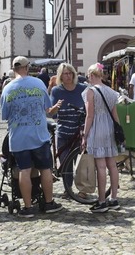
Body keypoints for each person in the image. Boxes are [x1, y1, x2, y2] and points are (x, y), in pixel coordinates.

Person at [1, 56, 63, 218]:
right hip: (39, 135)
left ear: (14, 69)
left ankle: (28, 207)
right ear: (27, 67)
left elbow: (5, 115)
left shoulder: (7, 88)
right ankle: (49, 203)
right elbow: (48, 107)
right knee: (45, 169)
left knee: (24, 170)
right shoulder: (38, 83)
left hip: (18, 137)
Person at [81, 62, 121, 213]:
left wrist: (85, 135)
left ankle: (102, 201)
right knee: (112, 165)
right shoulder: (111, 91)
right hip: (110, 128)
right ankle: (114, 198)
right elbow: (115, 114)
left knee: (101, 166)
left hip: (97, 128)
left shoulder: (90, 92)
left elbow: (89, 115)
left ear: (91, 75)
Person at [48, 63, 87, 197]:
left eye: (70, 73)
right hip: (63, 131)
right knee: (66, 162)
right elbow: (51, 114)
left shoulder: (83, 89)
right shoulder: (56, 91)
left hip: (79, 132)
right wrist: (56, 107)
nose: (68, 76)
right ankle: (68, 188)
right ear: (61, 76)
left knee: (81, 163)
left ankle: (83, 190)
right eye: (65, 73)